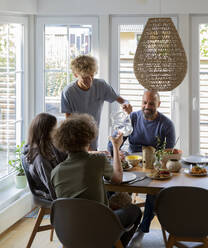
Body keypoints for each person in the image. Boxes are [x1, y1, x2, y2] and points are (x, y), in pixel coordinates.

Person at [51, 114, 142, 247]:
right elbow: (118, 178)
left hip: (69, 232)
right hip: (99, 227)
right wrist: (116, 147)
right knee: (135, 211)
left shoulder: (56, 172)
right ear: (88, 137)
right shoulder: (97, 160)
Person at [108, 90, 175, 248]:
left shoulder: (166, 124)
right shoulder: (133, 117)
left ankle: (142, 230)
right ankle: (118, 228)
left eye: (151, 103)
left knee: (153, 193)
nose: (147, 106)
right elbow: (112, 145)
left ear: (158, 104)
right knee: (113, 186)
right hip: (132, 167)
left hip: (154, 167)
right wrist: (118, 149)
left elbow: (169, 153)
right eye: (144, 102)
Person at [61, 55, 132, 151]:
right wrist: (84, 145)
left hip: (93, 138)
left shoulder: (101, 86)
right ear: (76, 75)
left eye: (92, 75)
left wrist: (126, 104)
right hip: (75, 139)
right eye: (85, 77)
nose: (89, 80)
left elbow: (121, 100)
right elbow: (68, 124)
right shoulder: (68, 92)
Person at [22, 113, 67, 200]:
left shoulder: (48, 145)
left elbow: (65, 157)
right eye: (55, 128)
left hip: (61, 184)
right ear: (46, 132)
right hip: (55, 194)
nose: (57, 131)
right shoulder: (40, 159)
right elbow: (53, 189)